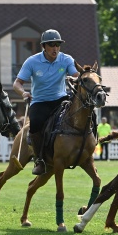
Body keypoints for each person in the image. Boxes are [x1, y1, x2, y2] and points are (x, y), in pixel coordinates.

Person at [13, 29, 78, 175]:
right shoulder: (32, 61)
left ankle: (82, 151)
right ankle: (40, 160)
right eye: (51, 45)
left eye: (57, 44)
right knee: (35, 123)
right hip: (40, 101)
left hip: (61, 99)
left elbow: (76, 75)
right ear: (44, 46)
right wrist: (23, 93)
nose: (55, 48)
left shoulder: (66, 59)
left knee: (78, 114)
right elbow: (17, 83)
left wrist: (81, 78)